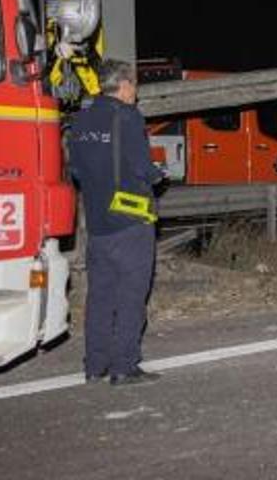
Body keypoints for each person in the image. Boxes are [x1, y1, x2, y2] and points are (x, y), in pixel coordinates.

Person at [67, 60, 166, 386]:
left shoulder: (81, 121)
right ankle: (124, 366)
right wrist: (158, 175)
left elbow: (77, 172)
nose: (135, 92)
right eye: (134, 85)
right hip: (131, 219)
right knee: (131, 295)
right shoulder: (128, 117)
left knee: (100, 295)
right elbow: (142, 168)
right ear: (123, 85)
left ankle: (95, 365)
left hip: (97, 221)